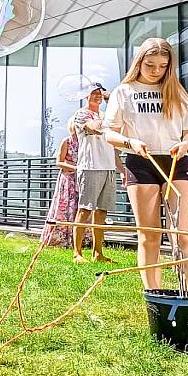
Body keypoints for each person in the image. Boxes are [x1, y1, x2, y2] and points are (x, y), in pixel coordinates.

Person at [103, 38, 188, 291]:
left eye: (162, 66)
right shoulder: (124, 92)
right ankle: (154, 294)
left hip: (176, 162)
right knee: (149, 235)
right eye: (150, 65)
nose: (156, 71)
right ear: (139, 63)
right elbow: (109, 133)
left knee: (182, 235)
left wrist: (185, 144)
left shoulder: (176, 92)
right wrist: (129, 141)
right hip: (141, 162)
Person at [71, 83, 123, 264]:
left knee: (102, 212)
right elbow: (94, 127)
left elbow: (113, 147)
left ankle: (97, 253)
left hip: (108, 167)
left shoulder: (105, 115)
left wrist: (122, 170)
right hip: (90, 167)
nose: (97, 96)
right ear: (86, 96)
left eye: (99, 93)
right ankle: (77, 253)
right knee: (85, 210)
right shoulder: (81, 114)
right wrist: (113, 106)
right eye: (93, 93)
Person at [40, 118, 79, 248]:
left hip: (81, 179)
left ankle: (79, 239)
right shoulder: (66, 141)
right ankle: (60, 238)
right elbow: (59, 162)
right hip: (68, 180)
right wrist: (75, 168)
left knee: (80, 208)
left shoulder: (86, 143)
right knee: (65, 207)